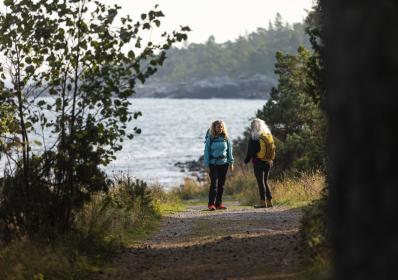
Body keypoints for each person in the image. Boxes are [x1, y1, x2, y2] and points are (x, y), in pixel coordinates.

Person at [244, 118, 275, 208]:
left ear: (254, 126)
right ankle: (269, 201)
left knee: (260, 182)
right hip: (268, 162)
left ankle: (262, 202)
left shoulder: (254, 137)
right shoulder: (267, 135)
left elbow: (251, 152)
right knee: (265, 181)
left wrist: (246, 161)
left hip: (258, 162)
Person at [204, 120, 234, 211]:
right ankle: (211, 204)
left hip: (224, 164)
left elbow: (229, 151)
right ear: (214, 128)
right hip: (213, 164)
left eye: (221, 127)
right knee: (214, 184)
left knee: (221, 185)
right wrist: (206, 165)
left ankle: (218, 204)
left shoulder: (226, 138)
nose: (220, 128)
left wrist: (231, 163)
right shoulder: (210, 138)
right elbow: (206, 152)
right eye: (218, 127)